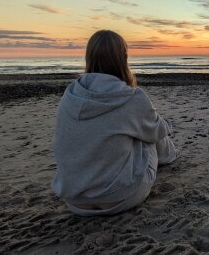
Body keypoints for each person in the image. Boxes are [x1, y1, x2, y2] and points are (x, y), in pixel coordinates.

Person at [51, 30, 180, 216]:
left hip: (75, 200)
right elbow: (157, 131)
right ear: (123, 58)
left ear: (88, 57)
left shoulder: (70, 96)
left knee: (137, 127)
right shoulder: (132, 97)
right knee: (149, 132)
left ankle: (167, 153)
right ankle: (171, 156)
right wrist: (167, 124)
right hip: (120, 198)